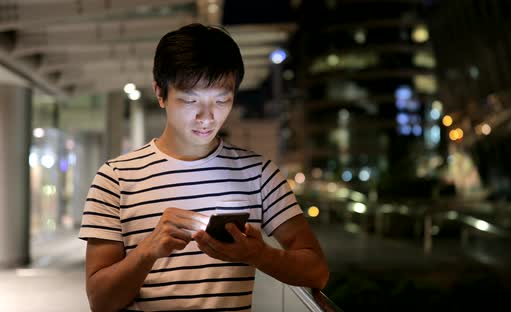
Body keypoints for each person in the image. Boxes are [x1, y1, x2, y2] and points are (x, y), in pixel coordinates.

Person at [78, 23, 329, 311]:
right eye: (190, 100)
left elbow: (317, 271)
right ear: (160, 93)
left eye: (222, 99)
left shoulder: (259, 174)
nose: (207, 117)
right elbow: (100, 301)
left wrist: (257, 254)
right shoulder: (115, 179)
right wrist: (149, 250)